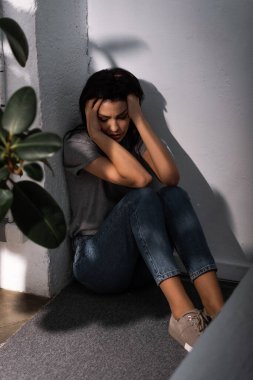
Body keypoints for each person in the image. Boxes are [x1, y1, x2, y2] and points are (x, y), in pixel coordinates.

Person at [63, 67, 224, 352]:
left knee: (173, 195)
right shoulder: (78, 143)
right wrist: (95, 134)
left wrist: (139, 117)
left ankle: (217, 311)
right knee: (144, 197)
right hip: (95, 264)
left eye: (122, 117)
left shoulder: (133, 139)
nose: (114, 128)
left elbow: (171, 176)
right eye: (104, 119)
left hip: (142, 266)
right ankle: (183, 317)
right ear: (89, 117)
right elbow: (140, 180)